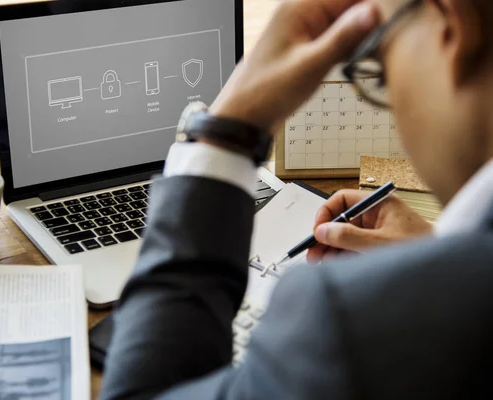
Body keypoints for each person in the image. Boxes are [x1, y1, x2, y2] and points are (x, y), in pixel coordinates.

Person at [101, 0, 493, 398]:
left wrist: (223, 134)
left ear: (450, 24)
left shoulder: (348, 323)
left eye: (379, 60)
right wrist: (436, 256)